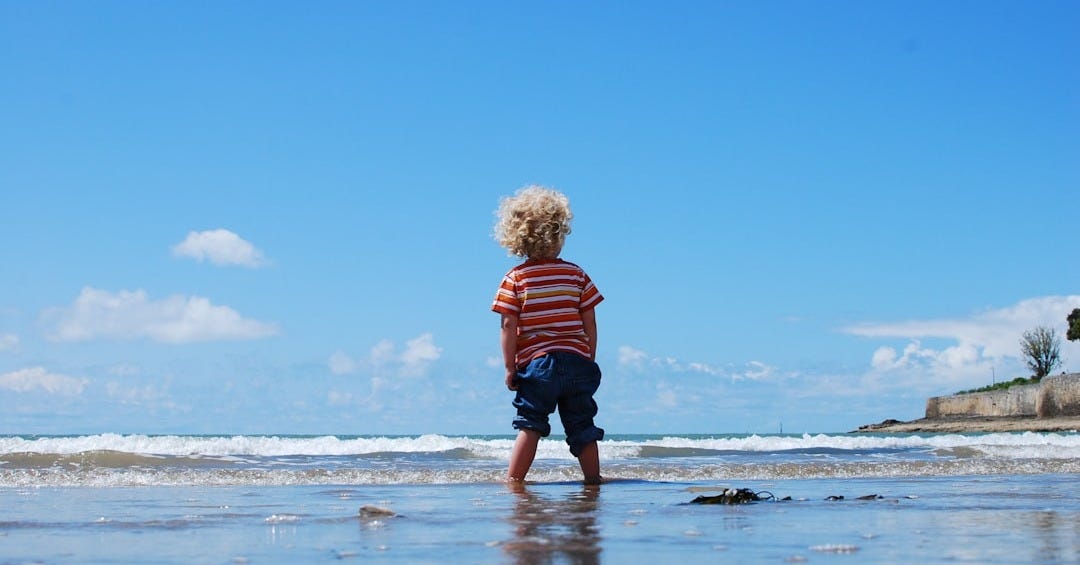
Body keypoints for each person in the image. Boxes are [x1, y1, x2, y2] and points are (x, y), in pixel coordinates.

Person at [491, 185, 605, 485]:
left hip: (538, 365)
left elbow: (508, 326)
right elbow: (589, 319)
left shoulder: (515, 279)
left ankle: (515, 480)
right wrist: (589, 354)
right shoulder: (576, 274)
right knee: (582, 425)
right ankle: (593, 480)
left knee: (530, 425)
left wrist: (509, 366)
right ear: (559, 233)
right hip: (578, 362)